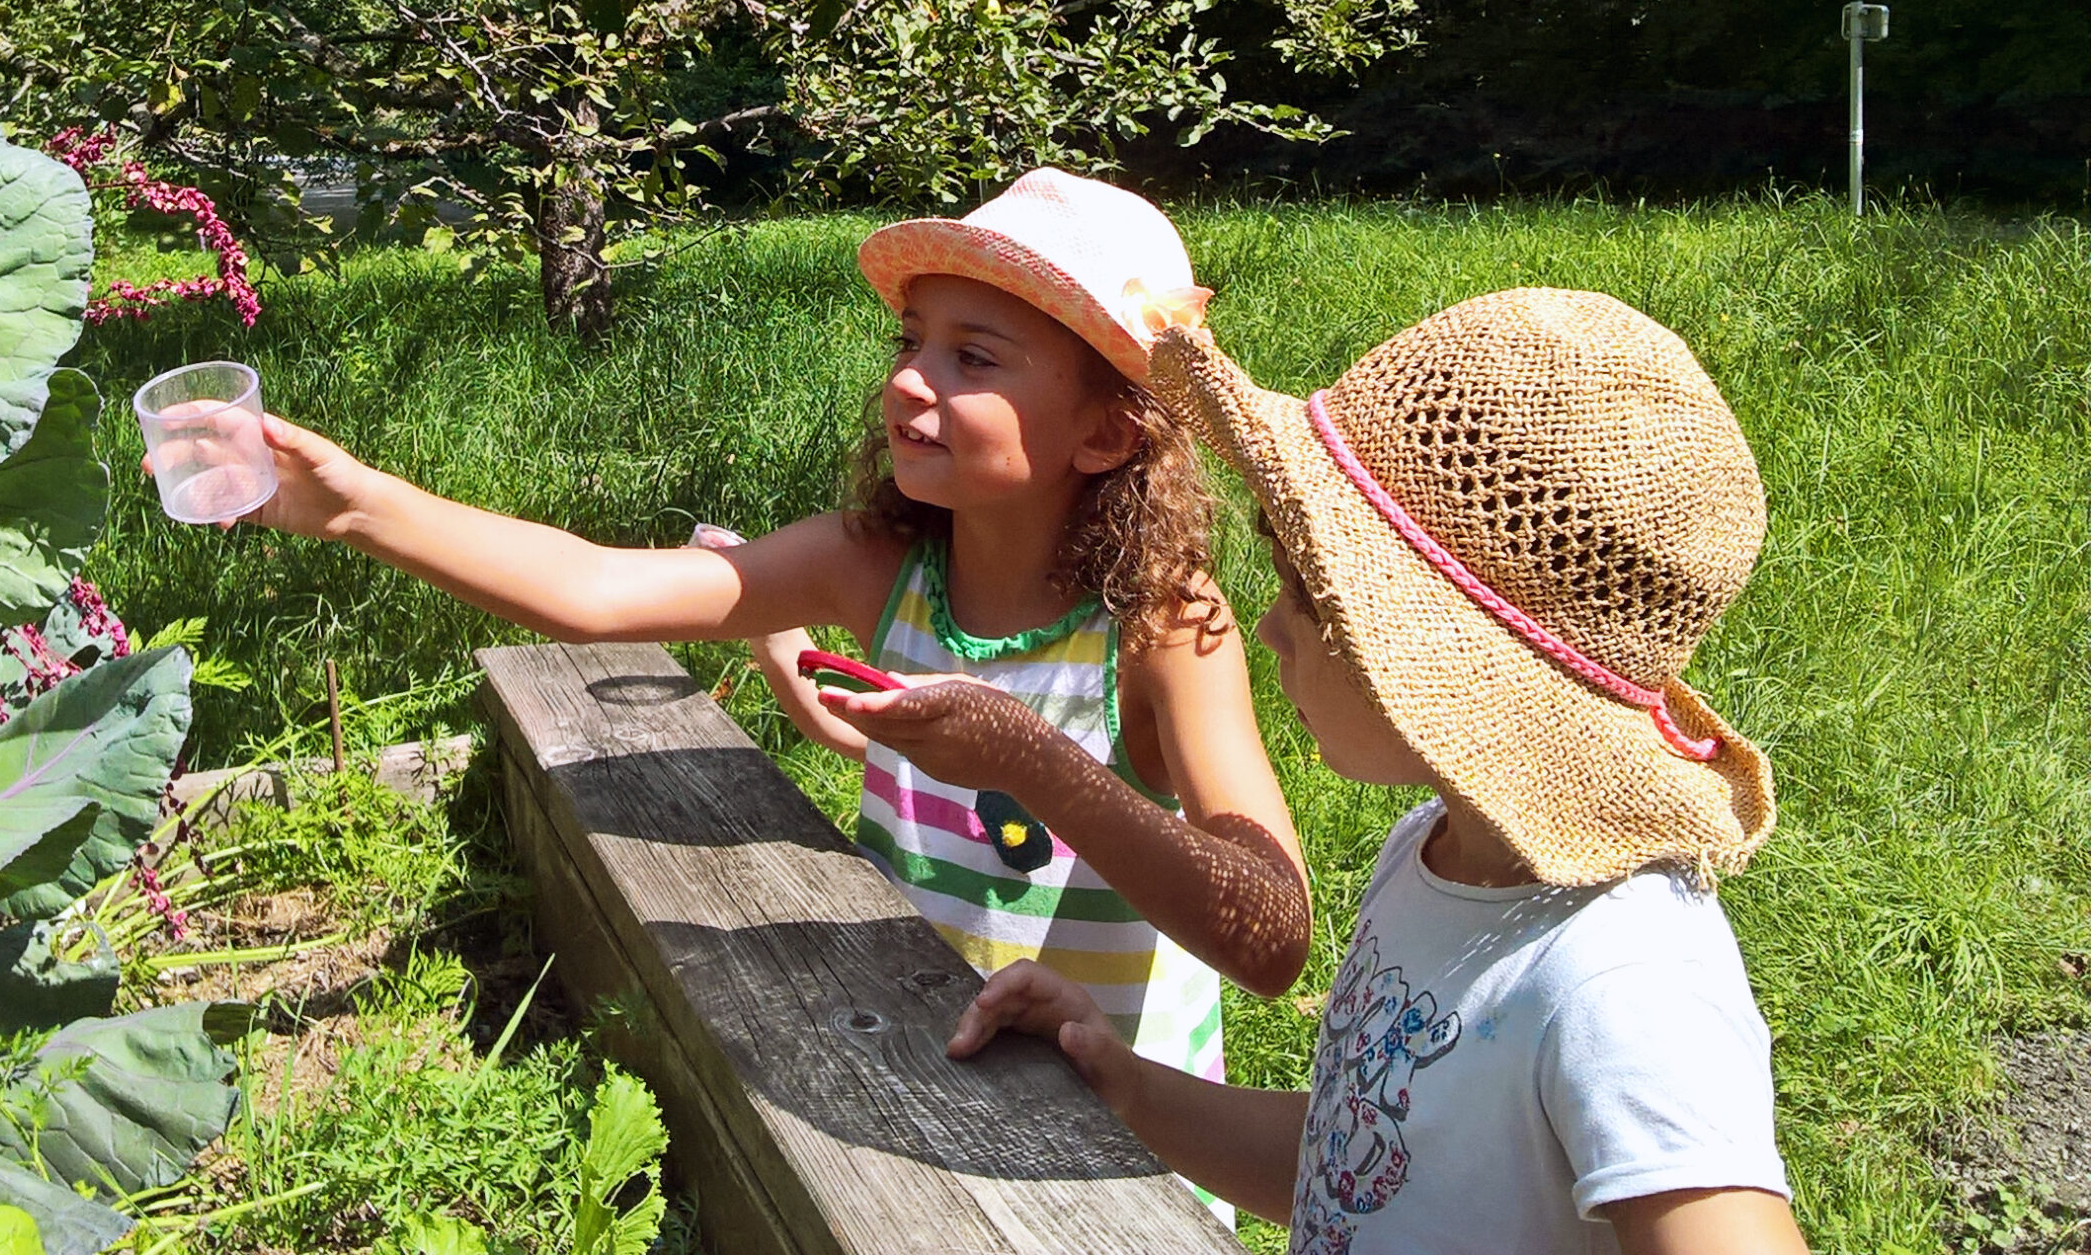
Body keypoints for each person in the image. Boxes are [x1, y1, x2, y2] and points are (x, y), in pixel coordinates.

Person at [223, 167, 1312, 1108]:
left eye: (973, 358)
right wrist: (352, 504)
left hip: (1118, 1140)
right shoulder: (876, 566)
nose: (905, 379)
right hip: (920, 1062)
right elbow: (598, 590)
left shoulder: (1163, 625)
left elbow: (1270, 937)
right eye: (910, 340)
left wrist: (1028, 759)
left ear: (1106, 428)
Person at [941, 288, 1810, 1255]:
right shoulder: (1433, 855)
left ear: (1437, 655)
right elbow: (1357, 1163)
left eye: (1309, 592)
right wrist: (1128, 1084)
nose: (1267, 625)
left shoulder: (1623, 979)